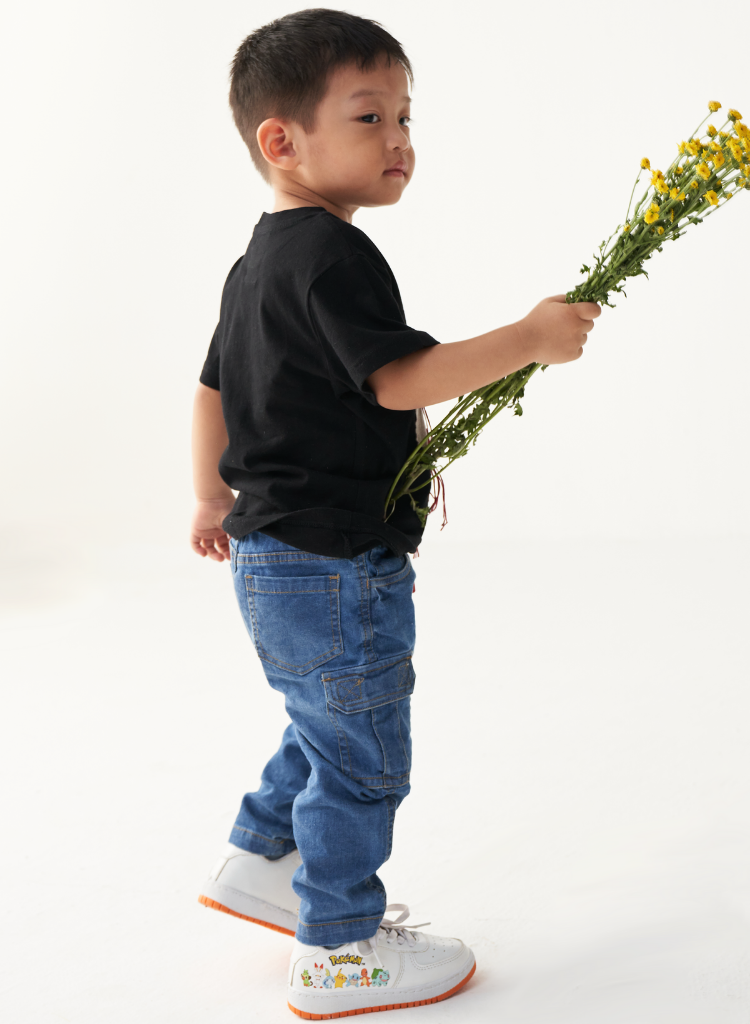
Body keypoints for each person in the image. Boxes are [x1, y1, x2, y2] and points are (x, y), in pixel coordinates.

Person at [189, 9, 600, 1017]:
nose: (400, 139)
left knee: (324, 720)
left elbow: (210, 389)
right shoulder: (331, 256)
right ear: (280, 141)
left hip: (271, 551)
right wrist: (528, 338)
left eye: (407, 116)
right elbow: (397, 378)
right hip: (333, 559)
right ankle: (339, 947)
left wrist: (211, 494)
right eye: (370, 116)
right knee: (363, 754)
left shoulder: (260, 261)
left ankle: (262, 860)